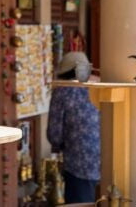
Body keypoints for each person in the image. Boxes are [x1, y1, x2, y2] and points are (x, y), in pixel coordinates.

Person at [47, 50, 101, 203]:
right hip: (107, 160)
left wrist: (57, 148)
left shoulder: (62, 92)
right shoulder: (100, 86)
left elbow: (54, 133)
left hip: (78, 163)